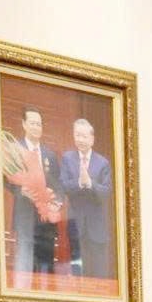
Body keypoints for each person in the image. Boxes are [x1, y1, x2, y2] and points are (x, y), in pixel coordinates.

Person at [7, 106, 61, 283]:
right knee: (24, 257)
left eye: (39, 124)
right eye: (32, 123)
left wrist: (57, 202)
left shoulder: (49, 155)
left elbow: (58, 185)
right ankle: (21, 293)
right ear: (24, 124)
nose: (36, 127)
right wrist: (20, 190)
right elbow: (5, 178)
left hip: (46, 217)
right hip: (25, 214)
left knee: (45, 264)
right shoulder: (15, 150)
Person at [59, 118, 115, 283]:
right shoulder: (67, 158)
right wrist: (79, 182)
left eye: (84, 136)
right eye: (77, 135)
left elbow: (106, 192)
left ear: (92, 139)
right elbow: (63, 185)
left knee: (98, 276)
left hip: (97, 228)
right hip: (76, 225)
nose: (80, 140)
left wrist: (90, 184)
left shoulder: (103, 163)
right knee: (78, 275)